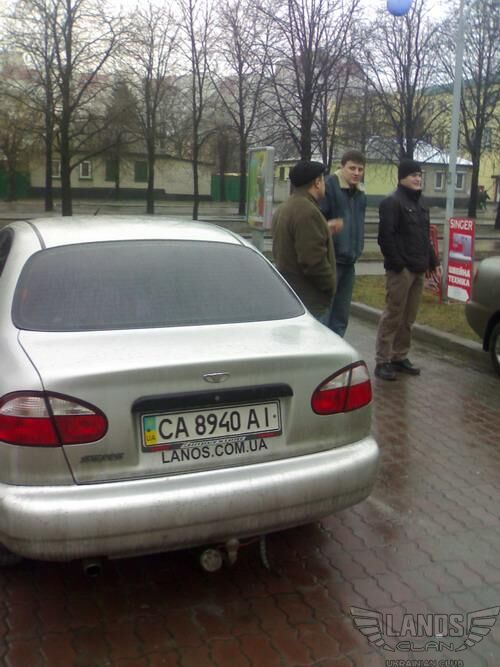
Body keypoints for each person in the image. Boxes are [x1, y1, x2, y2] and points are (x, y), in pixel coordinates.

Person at [374, 159, 440, 381]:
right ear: (402, 177)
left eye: (420, 175)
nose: (418, 178)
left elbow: (424, 237)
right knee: (393, 315)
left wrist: (433, 262)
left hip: (419, 267)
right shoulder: (392, 202)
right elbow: (385, 237)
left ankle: (399, 356)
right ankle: (382, 360)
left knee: (408, 318)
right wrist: (399, 265)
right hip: (401, 271)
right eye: (413, 175)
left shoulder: (421, 203)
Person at [272, 160, 335, 323]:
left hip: (291, 296)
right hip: (309, 300)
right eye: (323, 180)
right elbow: (313, 261)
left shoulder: (285, 207)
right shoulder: (307, 211)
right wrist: (330, 285)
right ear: (317, 182)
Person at [320, 149, 367, 336]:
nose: (356, 173)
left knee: (341, 315)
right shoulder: (329, 187)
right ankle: (322, 348)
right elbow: (316, 220)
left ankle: (337, 347)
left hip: (350, 261)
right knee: (325, 313)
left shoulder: (360, 193)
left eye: (360, 169)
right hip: (331, 260)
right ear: (342, 167)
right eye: (352, 168)